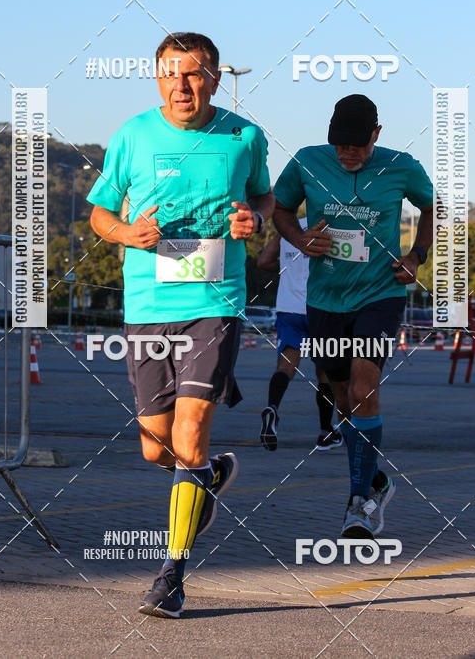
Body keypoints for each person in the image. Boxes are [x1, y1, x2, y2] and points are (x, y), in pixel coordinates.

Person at [88, 32, 273, 618]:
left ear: (214, 78)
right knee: (155, 449)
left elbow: (265, 201)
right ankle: (207, 478)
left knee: (190, 435)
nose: (181, 86)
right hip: (148, 305)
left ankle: (171, 577)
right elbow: (98, 213)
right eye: (170, 74)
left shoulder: (245, 137)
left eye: (193, 75)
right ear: (157, 78)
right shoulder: (134, 135)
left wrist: (254, 220)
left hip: (214, 302)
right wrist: (125, 232)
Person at [273, 94, 433, 538]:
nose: (348, 153)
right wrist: (300, 237)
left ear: (376, 136)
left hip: (379, 296)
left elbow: (435, 207)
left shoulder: (403, 166)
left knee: (365, 390)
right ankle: (375, 478)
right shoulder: (307, 162)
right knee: (342, 398)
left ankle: (358, 503)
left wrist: (417, 255)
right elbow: (281, 209)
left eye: (358, 146)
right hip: (324, 299)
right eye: (341, 145)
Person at [257, 217, 344, 451]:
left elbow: (264, 261)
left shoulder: (287, 228)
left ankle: (272, 409)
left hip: (289, 308)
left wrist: (287, 270)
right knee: (324, 372)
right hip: (320, 307)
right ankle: (326, 431)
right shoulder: (332, 228)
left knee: (285, 366)